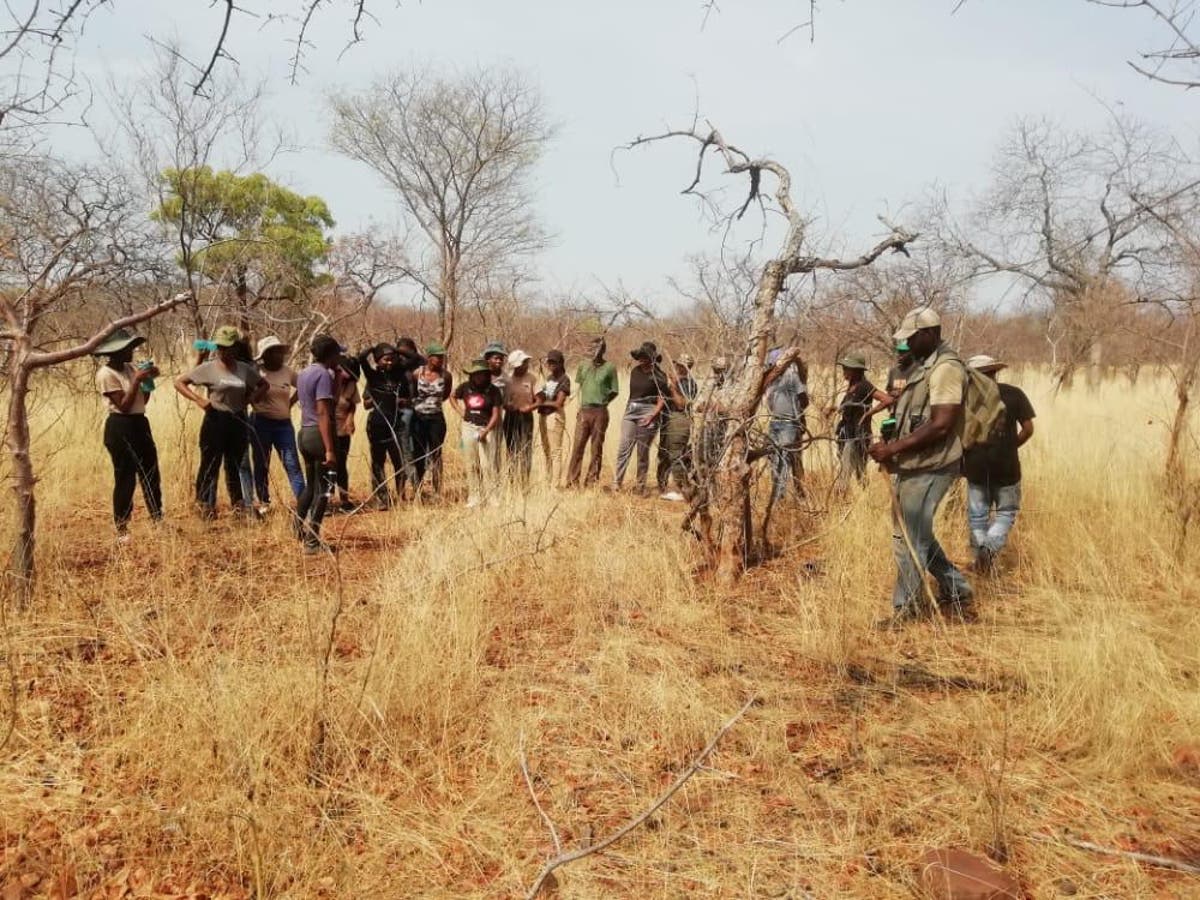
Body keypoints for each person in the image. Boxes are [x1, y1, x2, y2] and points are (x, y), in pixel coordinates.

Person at [869, 307, 974, 623]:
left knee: (908, 540)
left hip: (932, 465)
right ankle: (957, 588)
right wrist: (889, 445)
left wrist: (893, 450)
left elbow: (942, 424)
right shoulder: (922, 366)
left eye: (912, 338)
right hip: (912, 463)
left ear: (929, 333)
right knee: (914, 535)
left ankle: (907, 611)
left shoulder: (946, 369)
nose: (908, 346)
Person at [175, 326, 266, 519]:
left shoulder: (244, 369)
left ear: (235, 348)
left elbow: (263, 385)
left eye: (228, 347)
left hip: (238, 419)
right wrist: (198, 400)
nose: (223, 351)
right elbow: (180, 382)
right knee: (210, 463)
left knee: (233, 464)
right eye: (220, 347)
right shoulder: (208, 368)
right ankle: (204, 504)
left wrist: (251, 399)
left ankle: (238, 506)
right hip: (215, 419)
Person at [963, 355, 1035, 572]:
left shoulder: (964, 398)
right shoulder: (1014, 393)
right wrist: (1010, 447)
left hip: (974, 466)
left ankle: (980, 560)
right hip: (1007, 467)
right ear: (994, 372)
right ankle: (989, 551)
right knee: (1005, 513)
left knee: (977, 517)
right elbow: (1028, 429)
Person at [94, 328, 162, 539]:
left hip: (139, 422)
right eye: (127, 348)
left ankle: (157, 518)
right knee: (125, 477)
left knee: (151, 472)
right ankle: (122, 526)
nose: (131, 351)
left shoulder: (130, 368)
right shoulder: (106, 374)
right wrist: (136, 381)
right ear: (115, 351)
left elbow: (142, 401)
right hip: (120, 426)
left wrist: (148, 381)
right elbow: (123, 405)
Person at [294, 335, 341, 554]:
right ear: (331, 354)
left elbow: (330, 402)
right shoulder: (323, 374)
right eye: (337, 353)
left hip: (304, 432)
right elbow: (323, 411)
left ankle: (297, 527)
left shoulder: (305, 372)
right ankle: (312, 542)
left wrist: (338, 379)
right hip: (318, 434)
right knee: (324, 489)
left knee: (311, 485)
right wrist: (330, 449)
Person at [249, 336, 304, 511]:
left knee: (292, 463)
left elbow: (302, 385)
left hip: (284, 425)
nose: (279, 356)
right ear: (265, 355)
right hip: (261, 422)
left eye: (280, 352)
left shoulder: (288, 372)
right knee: (261, 463)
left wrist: (291, 402)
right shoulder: (256, 371)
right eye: (274, 352)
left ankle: (303, 501)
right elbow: (247, 394)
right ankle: (264, 502)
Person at [359, 342, 414, 508]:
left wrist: (394, 349)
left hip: (396, 424)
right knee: (378, 462)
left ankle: (401, 495)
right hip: (377, 425)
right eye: (385, 360)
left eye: (392, 359)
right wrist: (374, 348)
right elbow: (361, 358)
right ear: (377, 361)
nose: (389, 363)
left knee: (399, 462)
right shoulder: (372, 377)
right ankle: (382, 498)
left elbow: (415, 358)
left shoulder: (399, 374)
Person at [612, 341, 667, 494]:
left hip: (649, 410)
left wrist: (652, 416)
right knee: (624, 447)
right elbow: (632, 394)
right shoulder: (635, 371)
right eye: (640, 355)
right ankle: (616, 483)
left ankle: (640, 486)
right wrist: (626, 412)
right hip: (631, 409)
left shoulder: (659, 375)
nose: (642, 358)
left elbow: (661, 399)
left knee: (642, 452)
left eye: (645, 356)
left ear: (652, 357)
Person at [565, 336, 619, 488]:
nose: (595, 351)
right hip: (584, 411)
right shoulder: (583, 365)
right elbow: (579, 387)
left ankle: (591, 482)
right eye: (592, 348)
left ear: (603, 350)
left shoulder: (609, 367)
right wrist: (579, 409)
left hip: (600, 412)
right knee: (578, 446)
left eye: (598, 348)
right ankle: (572, 482)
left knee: (596, 448)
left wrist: (603, 402)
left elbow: (615, 391)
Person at [452, 358, 503, 507]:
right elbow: (452, 396)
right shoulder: (465, 387)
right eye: (476, 374)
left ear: (487, 374)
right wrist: (461, 413)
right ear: (472, 375)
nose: (479, 377)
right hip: (469, 427)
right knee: (471, 464)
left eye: (482, 374)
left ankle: (492, 496)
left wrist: (486, 431)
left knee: (487, 465)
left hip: (487, 428)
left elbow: (496, 414)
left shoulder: (493, 391)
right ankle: (474, 496)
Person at [832, 351, 887, 488]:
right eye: (843, 368)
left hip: (858, 436)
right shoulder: (851, 386)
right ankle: (864, 499)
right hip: (848, 434)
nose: (844, 371)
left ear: (856, 370)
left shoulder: (864, 386)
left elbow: (886, 399)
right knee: (860, 473)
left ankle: (840, 501)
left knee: (846, 473)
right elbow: (848, 408)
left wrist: (869, 413)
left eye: (847, 368)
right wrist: (832, 409)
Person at [763, 350, 809, 502]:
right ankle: (778, 495)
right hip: (774, 422)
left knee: (783, 460)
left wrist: (795, 411)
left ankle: (779, 499)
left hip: (789, 424)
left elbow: (804, 400)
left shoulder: (791, 377)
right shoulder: (770, 379)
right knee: (774, 459)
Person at [412, 342, 452, 497]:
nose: (440, 360)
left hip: (436, 418)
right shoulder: (417, 373)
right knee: (419, 454)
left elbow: (446, 395)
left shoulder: (446, 375)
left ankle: (437, 491)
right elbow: (412, 392)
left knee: (436, 454)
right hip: (419, 418)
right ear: (429, 357)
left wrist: (432, 404)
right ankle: (418, 490)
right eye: (437, 357)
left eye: (442, 357)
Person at [657, 354, 698, 502]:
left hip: (680, 418)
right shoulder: (675, 380)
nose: (677, 367)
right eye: (677, 364)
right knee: (664, 453)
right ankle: (662, 486)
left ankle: (681, 490)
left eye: (680, 365)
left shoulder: (689, 384)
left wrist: (673, 386)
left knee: (676, 454)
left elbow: (682, 404)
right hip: (668, 417)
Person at [503, 349, 538, 487]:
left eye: (526, 362)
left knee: (526, 450)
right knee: (511, 450)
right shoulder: (507, 380)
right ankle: (512, 481)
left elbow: (539, 399)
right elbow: (502, 401)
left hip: (526, 417)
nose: (526, 364)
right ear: (516, 365)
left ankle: (524, 483)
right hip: (511, 417)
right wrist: (507, 406)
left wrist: (531, 407)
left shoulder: (532, 378)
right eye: (523, 362)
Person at [536, 349, 572, 488]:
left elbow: (558, 403)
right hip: (544, 415)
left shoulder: (564, 379)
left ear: (561, 363)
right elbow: (545, 395)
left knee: (555, 451)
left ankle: (555, 486)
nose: (551, 365)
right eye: (549, 362)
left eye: (554, 362)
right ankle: (548, 480)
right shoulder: (550, 378)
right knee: (546, 449)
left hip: (554, 416)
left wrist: (539, 403)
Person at [332, 355, 361, 512]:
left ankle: (344, 499)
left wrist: (351, 418)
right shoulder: (327, 380)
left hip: (342, 429)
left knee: (342, 464)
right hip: (326, 429)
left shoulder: (351, 384)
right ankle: (327, 499)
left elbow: (352, 404)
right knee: (328, 464)